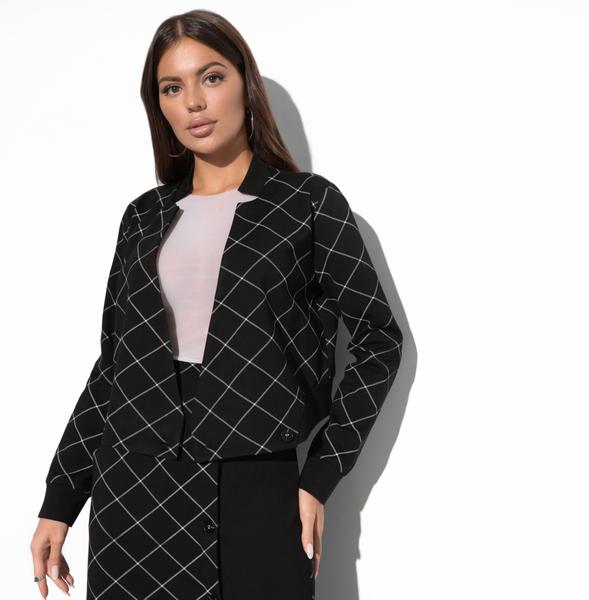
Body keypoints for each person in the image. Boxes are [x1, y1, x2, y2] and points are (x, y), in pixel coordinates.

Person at [30, 9, 403, 600]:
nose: (194, 103)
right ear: (159, 107)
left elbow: (380, 342)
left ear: (244, 84)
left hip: (255, 487)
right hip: (133, 491)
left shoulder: (308, 205)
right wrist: (60, 500)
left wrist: (320, 474)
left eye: (211, 77)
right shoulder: (143, 217)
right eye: (171, 88)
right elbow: (113, 367)